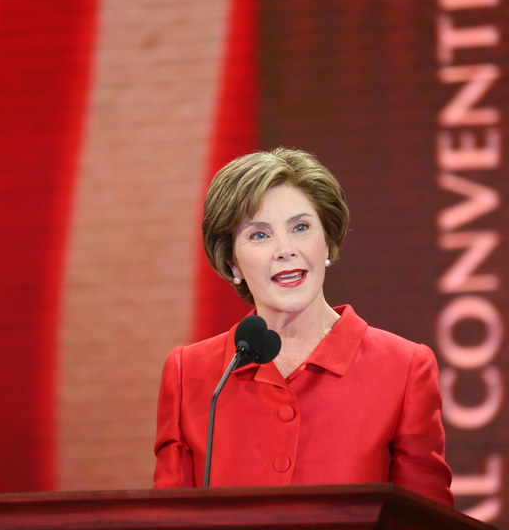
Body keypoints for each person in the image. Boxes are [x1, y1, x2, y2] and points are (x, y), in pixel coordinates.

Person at [152, 148, 454, 507]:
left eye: (300, 227)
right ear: (233, 261)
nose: (285, 249)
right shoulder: (191, 372)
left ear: (326, 241)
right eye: (259, 235)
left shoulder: (404, 368)